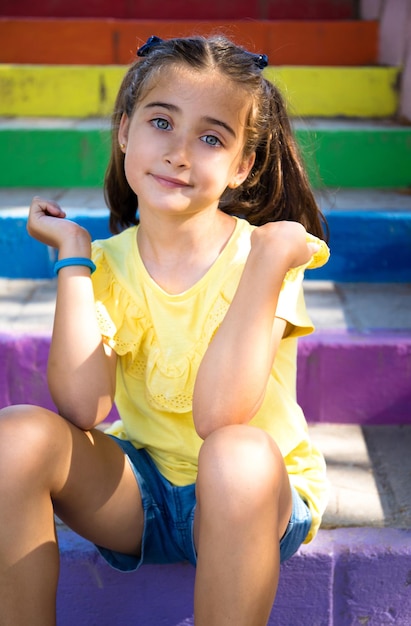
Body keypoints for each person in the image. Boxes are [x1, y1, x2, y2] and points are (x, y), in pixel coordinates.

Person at [0, 34, 330, 626]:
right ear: (125, 131)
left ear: (242, 166)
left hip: (250, 503)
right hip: (144, 492)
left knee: (235, 454)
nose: (179, 153)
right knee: (16, 436)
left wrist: (264, 264)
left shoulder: (268, 254)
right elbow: (82, 404)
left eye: (210, 138)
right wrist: (76, 256)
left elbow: (220, 416)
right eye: (160, 122)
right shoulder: (106, 262)